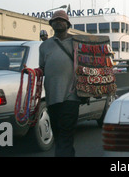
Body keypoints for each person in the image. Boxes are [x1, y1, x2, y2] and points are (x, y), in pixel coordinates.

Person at [39, 10, 80, 157]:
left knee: (65, 133)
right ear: (51, 24)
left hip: (71, 95)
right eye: (55, 20)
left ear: (67, 24)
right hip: (52, 97)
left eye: (61, 20)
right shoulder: (44, 46)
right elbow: (42, 69)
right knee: (58, 133)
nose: (58, 22)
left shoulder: (77, 43)